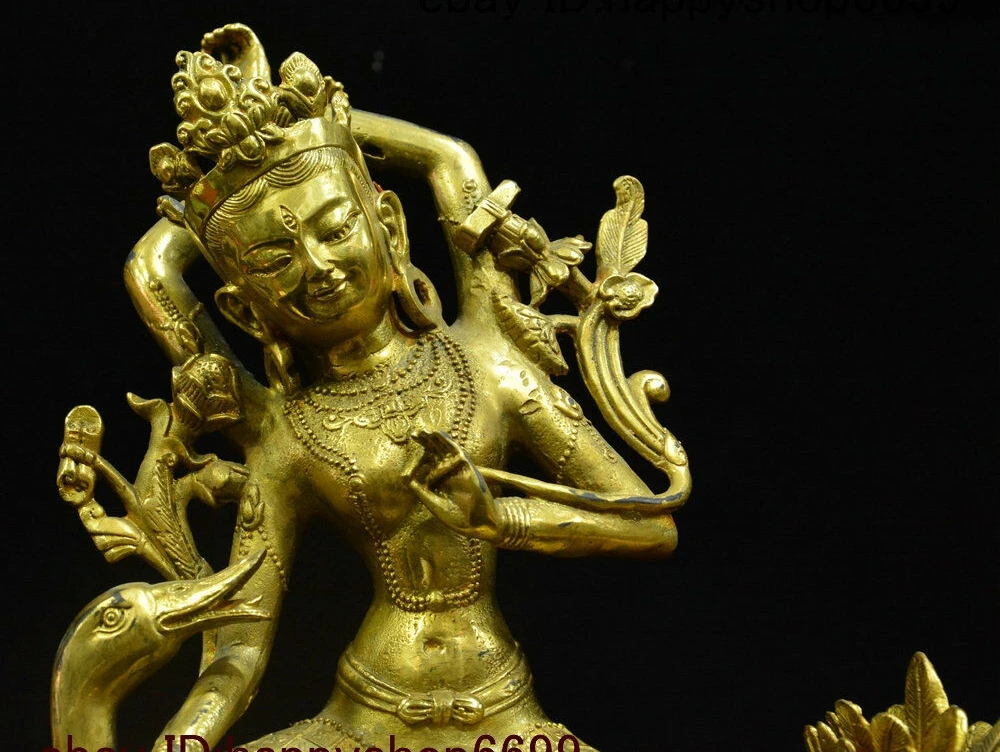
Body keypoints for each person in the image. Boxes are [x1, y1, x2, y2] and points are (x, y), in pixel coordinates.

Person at [125, 25, 687, 752]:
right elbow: (240, 640)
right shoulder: (286, 432)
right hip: (361, 716)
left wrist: (502, 520)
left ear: (388, 226)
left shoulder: (486, 363)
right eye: (274, 258)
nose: (317, 266)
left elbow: (650, 526)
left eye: (336, 228)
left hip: (506, 719)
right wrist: (186, 737)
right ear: (242, 309)